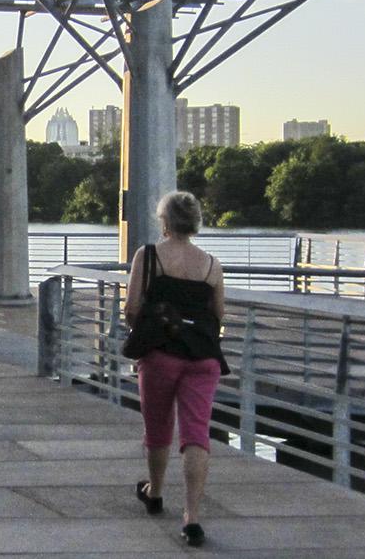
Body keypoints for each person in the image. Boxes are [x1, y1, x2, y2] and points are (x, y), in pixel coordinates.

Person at [124, 191, 226, 548]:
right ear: (196, 222)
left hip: (161, 354)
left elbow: (132, 308)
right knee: (196, 435)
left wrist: (151, 327)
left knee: (158, 427)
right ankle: (192, 519)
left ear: (164, 221)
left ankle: (154, 492)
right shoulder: (212, 264)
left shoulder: (149, 256)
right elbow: (218, 315)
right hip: (204, 358)